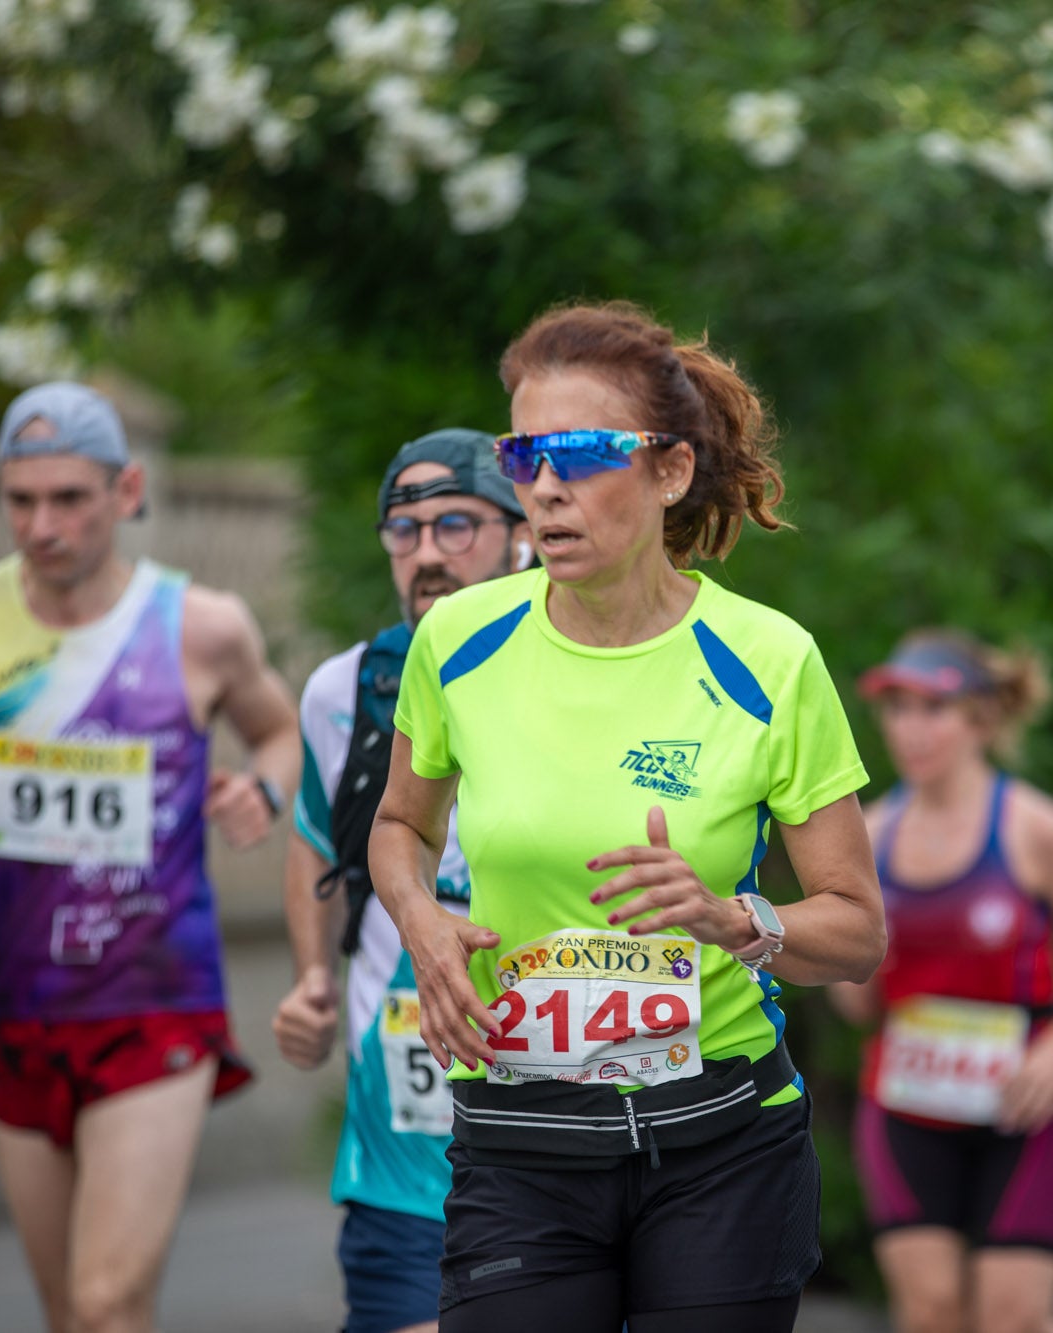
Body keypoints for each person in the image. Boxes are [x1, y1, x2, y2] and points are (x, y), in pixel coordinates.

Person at [368, 300, 887, 1333]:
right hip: (520, 1140)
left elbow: (858, 931)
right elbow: (401, 827)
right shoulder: (458, 641)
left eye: (580, 452)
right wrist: (421, 922)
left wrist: (737, 921)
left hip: (718, 1144)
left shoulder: (767, 659)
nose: (547, 487)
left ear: (668, 471)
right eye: (524, 456)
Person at [0, 381, 301, 1333]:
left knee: (109, 1301)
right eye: (20, 500)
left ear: (127, 490)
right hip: (14, 1001)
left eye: (68, 498)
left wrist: (257, 791)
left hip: (153, 999)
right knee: (67, 1309)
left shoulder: (202, 625)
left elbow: (281, 737)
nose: (41, 524)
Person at [271, 430, 533, 1333]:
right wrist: (311, 976)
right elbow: (314, 841)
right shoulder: (345, 690)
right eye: (404, 530)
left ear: (523, 531)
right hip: (401, 1160)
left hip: (565, 1146)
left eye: (455, 524)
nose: (426, 553)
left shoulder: (589, 682)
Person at [836, 631, 1053, 1333]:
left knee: (1009, 1322)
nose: (911, 731)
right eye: (897, 709)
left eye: (932, 709)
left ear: (979, 718)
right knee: (933, 1313)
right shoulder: (869, 835)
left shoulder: (1036, 828)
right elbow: (854, 1001)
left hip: (1026, 1107)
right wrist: (849, 964)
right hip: (907, 1102)